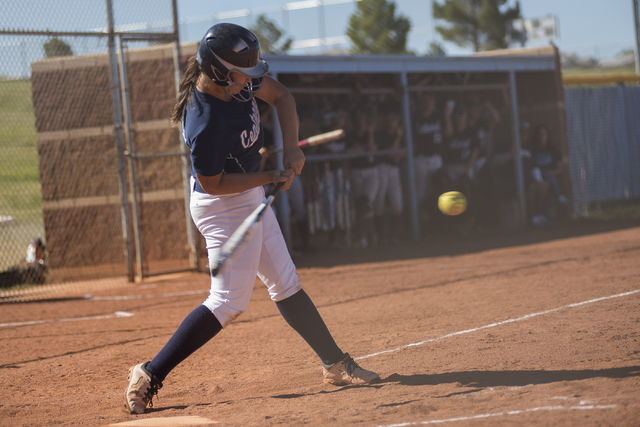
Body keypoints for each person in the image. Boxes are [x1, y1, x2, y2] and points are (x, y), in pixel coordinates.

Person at [123, 23, 379, 415]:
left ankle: (333, 363)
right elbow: (212, 183)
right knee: (227, 302)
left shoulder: (237, 84)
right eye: (246, 70)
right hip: (221, 205)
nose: (254, 78)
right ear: (221, 71)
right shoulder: (205, 121)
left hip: (249, 193)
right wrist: (270, 175)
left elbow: (283, 97)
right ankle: (149, 373)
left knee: (285, 282)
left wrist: (290, 148)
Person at [346, 108, 379, 248]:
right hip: (356, 171)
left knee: (367, 203)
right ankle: (364, 236)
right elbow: (347, 153)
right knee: (360, 205)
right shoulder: (351, 135)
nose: (362, 120)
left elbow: (372, 150)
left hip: (371, 171)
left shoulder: (372, 134)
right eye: (359, 117)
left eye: (363, 117)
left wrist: (370, 134)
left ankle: (368, 235)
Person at [374, 110, 405, 244]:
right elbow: (390, 154)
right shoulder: (381, 135)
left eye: (395, 120)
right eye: (390, 119)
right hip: (382, 169)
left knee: (397, 205)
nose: (392, 122)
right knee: (379, 204)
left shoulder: (402, 135)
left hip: (394, 170)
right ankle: (381, 237)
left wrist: (398, 141)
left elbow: (401, 154)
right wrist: (397, 140)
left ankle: (393, 235)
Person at [531, 125, 569, 206]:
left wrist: (553, 173)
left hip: (550, 176)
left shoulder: (553, 150)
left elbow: (560, 168)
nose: (542, 137)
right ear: (536, 136)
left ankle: (559, 196)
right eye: (540, 134)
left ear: (547, 136)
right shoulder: (532, 150)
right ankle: (559, 195)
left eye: (544, 134)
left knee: (547, 176)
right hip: (536, 176)